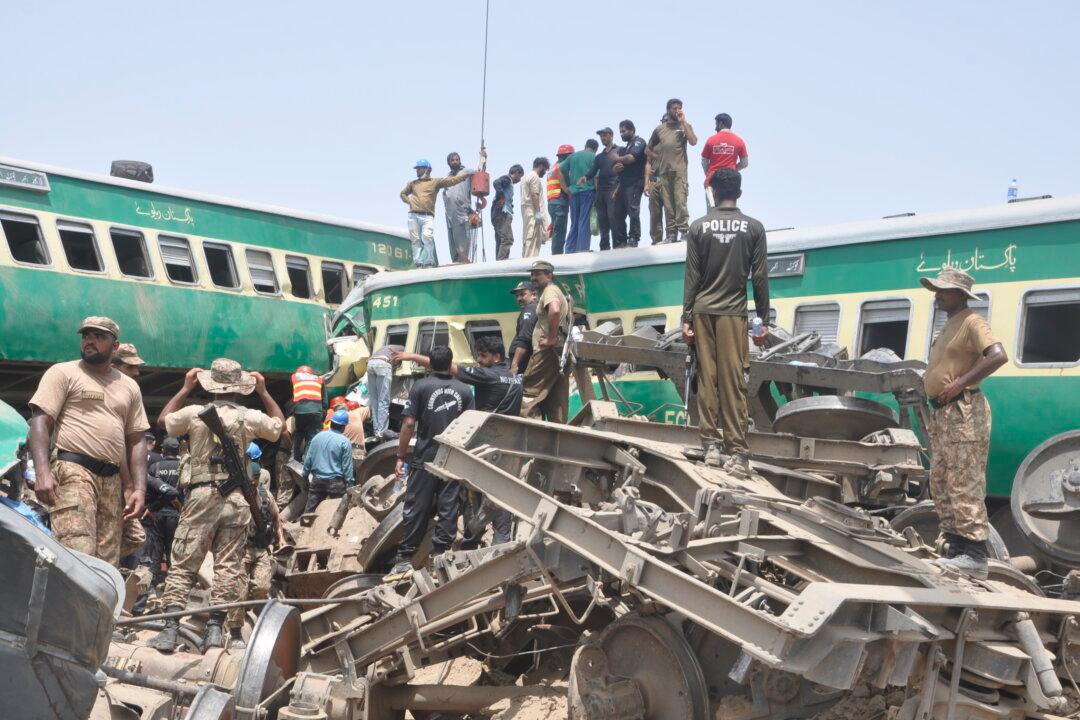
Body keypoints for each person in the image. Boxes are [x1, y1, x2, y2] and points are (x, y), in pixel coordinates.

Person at [149, 358, 284, 653]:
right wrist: (263, 392)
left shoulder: (194, 413)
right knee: (228, 566)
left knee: (184, 562)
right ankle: (214, 628)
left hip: (201, 496)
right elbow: (278, 427)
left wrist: (185, 389)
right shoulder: (249, 416)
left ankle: (170, 630)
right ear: (239, 387)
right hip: (237, 500)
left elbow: (163, 422)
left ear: (211, 385)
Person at [27, 316, 149, 566]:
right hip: (74, 471)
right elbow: (40, 423)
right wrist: (42, 472)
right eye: (86, 336)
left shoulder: (129, 386)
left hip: (112, 480)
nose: (90, 341)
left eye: (99, 336)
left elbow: (136, 441)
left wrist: (138, 489)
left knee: (105, 565)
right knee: (77, 554)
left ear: (115, 346)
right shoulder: (63, 372)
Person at [921, 268, 1008, 579]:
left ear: (960, 294)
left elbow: (998, 355)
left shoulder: (972, 322)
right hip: (943, 415)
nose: (937, 295)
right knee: (941, 481)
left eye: (943, 290)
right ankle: (957, 549)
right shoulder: (949, 325)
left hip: (963, 413)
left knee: (964, 480)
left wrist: (960, 383)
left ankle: (975, 556)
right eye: (936, 289)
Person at [393, 336, 520, 547]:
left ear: (496, 357)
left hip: (484, 447)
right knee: (501, 492)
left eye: (483, 356)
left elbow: (445, 367)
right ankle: (497, 540)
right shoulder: (515, 378)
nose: (479, 360)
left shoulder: (488, 376)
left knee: (473, 495)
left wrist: (410, 356)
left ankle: (474, 541)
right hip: (508, 446)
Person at [682, 169, 768, 477]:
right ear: (739, 193)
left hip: (703, 311)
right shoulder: (754, 228)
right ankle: (738, 453)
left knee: (708, 379)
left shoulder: (698, 228)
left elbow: (692, 276)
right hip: (734, 312)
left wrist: (686, 318)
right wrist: (763, 321)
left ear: (714, 193)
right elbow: (760, 277)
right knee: (734, 380)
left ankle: (711, 447)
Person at [388, 346, 475, 575]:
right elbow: (471, 427)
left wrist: (400, 456)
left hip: (425, 457)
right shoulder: (465, 391)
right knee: (449, 507)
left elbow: (408, 424)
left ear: (430, 364)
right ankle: (440, 556)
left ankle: (405, 558)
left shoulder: (421, 387)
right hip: (453, 459)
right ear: (450, 363)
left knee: (417, 506)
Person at [226, 452, 287, 649]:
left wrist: (281, 538)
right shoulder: (235, 496)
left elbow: (276, 518)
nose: (253, 481)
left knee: (262, 587)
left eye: (256, 477)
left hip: (261, 549)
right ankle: (235, 631)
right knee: (239, 590)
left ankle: (247, 611)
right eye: (251, 477)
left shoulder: (266, 496)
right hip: (241, 550)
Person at [401, 158, 476, 268]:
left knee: (427, 237)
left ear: (427, 170)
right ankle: (418, 262)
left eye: (419, 169)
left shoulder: (435, 182)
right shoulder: (413, 184)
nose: (417, 171)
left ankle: (429, 261)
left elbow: (451, 181)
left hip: (427, 216)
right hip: (413, 215)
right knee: (415, 240)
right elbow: (402, 194)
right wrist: (410, 202)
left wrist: (464, 176)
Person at [522, 261, 571, 423]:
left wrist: (551, 338)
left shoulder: (550, 290)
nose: (533, 277)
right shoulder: (553, 291)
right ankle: (559, 430)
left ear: (550, 275)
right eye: (532, 274)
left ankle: (529, 428)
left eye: (538, 274)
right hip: (557, 352)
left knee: (528, 391)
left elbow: (554, 310)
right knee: (556, 397)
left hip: (546, 353)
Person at [647, 98, 698, 243]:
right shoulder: (659, 129)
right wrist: (659, 156)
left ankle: (684, 231)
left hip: (679, 171)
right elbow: (647, 149)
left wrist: (683, 122)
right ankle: (671, 235)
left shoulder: (684, 126)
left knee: (680, 201)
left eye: (680, 108)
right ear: (668, 110)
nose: (677, 111)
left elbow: (693, 141)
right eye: (675, 108)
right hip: (664, 172)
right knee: (668, 205)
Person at [138, 437, 183, 588]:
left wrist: (151, 507)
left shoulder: (155, 467)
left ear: (163, 450)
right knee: (173, 550)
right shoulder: (183, 467)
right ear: (178, 451)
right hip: (177, 514)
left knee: (156, 550)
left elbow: (149, 492)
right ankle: (173, 584)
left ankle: (152, 584)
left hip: (156, 514)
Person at [302, 409, 355, 514]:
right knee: (337, 513)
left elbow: (308, 459)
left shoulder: (317, 437)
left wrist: (305, 477)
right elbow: (347, 467)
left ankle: (305, 523)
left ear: (331, 423)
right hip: (336, 484)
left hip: (317, 480)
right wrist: (350, 484)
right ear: (343, 427)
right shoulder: (345, 442)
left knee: (309, 512)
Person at [582, 128, 620, 250]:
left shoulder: (619, 151)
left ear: (611, 136)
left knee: (613, 218)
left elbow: (624, 169)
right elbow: (593, 171)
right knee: (602, 219)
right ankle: (604, 246)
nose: (603, 138)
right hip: (601, 191)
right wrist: (585, 177)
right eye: (601, 136)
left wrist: (618, 188)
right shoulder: (599, 156)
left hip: (613, 189)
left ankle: (617, 244)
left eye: (605, 135)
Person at [611, 120, 647, 248]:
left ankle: (633, 238)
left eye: (624, 131)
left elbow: (631, 158)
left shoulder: (639, 142)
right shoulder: (624, 148)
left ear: (632, 130)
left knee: (633, 211)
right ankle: (622, 241)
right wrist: (616, 167)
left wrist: (618, 159)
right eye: (620, 132)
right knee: (617, 213)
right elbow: (616, 166)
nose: (621, 134)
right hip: (623, 185)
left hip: (635, 183)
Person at [558, 140, 598, 253]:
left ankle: (570, 249)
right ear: (596, 149)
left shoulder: (573, 156)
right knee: (584, 221)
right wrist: (598, 194)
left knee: (574, 222)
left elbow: (559, 170)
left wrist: (565, 188)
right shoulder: (594, 157)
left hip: (573, 193)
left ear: (585, 146)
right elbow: (596, 178)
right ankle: (582, 249)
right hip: (588, 192)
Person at [701, 113, 748, 209]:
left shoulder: (711, 140)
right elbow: (744, 163)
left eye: (716, 124)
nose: (715, 128)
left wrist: (709, 174)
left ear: (721, 124)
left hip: (712, 183)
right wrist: (733, 169)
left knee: (712, 213)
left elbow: (704, 162)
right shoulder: (739, 141)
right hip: (730, 183)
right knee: (729, 211)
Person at [443, 152, 478, 263]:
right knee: (452, 239)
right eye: (452, 160)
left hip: (462, 211)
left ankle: (464, 260)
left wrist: (483, 158)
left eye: (457, 160)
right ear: (449, 162)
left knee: (463, 238)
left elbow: (480, 173)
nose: (455, 162)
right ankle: (456, 261)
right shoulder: (447, 178)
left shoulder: (467, 172)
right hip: (449, 213)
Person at [367, 343, 404, 440]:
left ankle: (376, 431)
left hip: (370, 364)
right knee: (383, 401)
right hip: (383, 364)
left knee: (374, 401)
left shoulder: (385, 347)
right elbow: (399, 363)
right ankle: (382, 432)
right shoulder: (404, 349)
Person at [290, 365, 324, 463]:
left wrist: (293, 411)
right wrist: (322, 415)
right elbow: (324, 401)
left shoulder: (295, 377)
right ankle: (305, 462)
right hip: (316, 411)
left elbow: (294, 396)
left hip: (300, 411)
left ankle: (293, 458)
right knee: (311, 437)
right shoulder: (319, 379)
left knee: (299, 433)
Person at [492, 165, 525, 260]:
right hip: (502, 213)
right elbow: (496, 182)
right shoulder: (507, 179)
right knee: (507, 239)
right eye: (520, 176)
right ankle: (501, 262)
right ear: (516, 173)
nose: (519, 180)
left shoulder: (508, 183)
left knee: (501, 240)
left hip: (497, 214)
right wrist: (502, 197)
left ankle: (499, 261)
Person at [521, 158, 551, 258]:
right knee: (532, 237)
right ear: (541, 166)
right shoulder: (534, 177)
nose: (544, 173)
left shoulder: (526, 177)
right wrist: (538, 212)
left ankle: (526, 258)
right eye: (545, 169)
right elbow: (535, 195)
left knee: (528, 237)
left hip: (527, 212)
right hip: (533, 212)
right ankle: (529, 261)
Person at [547, 145, 574, 255]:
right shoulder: (562, 167)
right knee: (560, 231)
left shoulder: (552, 167)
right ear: (567, 156)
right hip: (560, 202)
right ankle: (557, 255)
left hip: (552, 202)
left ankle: (556, 253)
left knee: (556, 230)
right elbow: (568, 183)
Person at [508, 281, 539, 375]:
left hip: (524, 366)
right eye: (517, 296)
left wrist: (514, 364)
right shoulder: (535, 308)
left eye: (522, 294)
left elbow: (524, 340)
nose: (519, 299)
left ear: (534, 295)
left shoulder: (530, 309)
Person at [342, 400, 370, 483]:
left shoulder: (339, 419)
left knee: (345, 482)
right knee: (359, 482)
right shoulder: (357, 412)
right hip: (357, 454)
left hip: (344, 453)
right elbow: (371, 407)